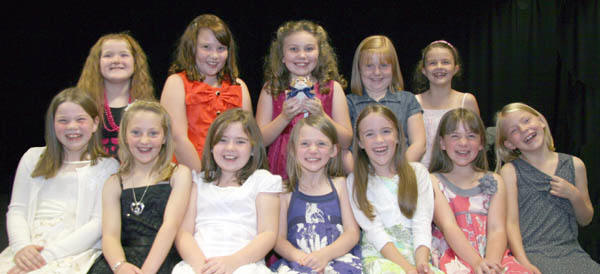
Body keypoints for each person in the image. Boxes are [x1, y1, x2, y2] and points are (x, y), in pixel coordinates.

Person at [0, 87, 119, 274]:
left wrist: (46, 257)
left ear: (95, 123)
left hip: (73, 252)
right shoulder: (32, 158)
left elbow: (98, 223)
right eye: (63, 120)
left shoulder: (107, 166)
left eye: (80, 119)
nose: (72, 127)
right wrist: (21, 247)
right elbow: (17, 210)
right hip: (28, 249)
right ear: (52, 124)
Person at [88, 101, 192, 274]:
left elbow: (170, 226)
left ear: (165, 137)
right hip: (124, 259)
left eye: (153, 133)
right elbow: (110, 236)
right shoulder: (114, 183)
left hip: (161, 258)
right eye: (136, 132)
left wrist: (147, 271)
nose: (144, 140)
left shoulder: (179, 174)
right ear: (125, 136)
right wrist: (120, 266)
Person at [172, 108, 281, 274]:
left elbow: (268, 234)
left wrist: (232, 263)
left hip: (244, 264)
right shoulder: (198, 182)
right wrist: (202, 266)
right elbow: (183, 233)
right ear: (211, 146)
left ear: (253, 149)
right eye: (222, 140)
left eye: (240, 141)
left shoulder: (262, 181)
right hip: (199, 264)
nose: (230, 148)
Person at [495, 102, 599, 274]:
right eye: (514, 130)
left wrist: (573, 195)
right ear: (509, 144)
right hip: (530, 252)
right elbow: (510, 223)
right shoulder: (510, 172)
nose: (524, 129)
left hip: (571, 251)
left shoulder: (575, 165)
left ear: (541, 121)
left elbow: (586, 219)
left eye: (526, 121)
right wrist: (523, 262)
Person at [429, 108, 530, 273]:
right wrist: (477, 264)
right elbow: (449, 227)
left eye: (471, 136)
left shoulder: (494, 180)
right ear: (442, 143)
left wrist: (491, 264)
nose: (463, 143)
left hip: (493, 256)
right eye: (455, 136)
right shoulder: (433, 181)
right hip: (453, 256)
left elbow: (497, 228)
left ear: (481, 143)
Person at [348, 104, 442, 274]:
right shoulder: (356, 180)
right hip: (380, 257)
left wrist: (421, 264)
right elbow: (374, 232)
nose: (379, 140)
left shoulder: (418, 173)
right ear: (360, 142)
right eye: (370, 134)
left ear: (398, 136)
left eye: (386, 131)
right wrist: (408, 269)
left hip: (416, 255)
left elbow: (422, 223)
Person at [256, 20, 352, 179]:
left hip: (322, 170)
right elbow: (259, 141)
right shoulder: (271, 89)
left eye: (309, 49)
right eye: (293, 49)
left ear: (319, 53)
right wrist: (284, 117)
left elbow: (346, 141)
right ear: (282, 56)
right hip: (282, 168)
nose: (302, 55)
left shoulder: (332, 88)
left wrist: (323, 116)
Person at [271, 114, 362, 273]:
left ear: (333, 150)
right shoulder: (284, 192)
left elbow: (352, 233)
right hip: (298, 263)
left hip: (339, 260)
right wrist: (302, 258)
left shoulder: (341, 185)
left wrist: (324, 255)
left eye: (321, 144)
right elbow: (278, 239)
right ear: (293, 149)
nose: (313, 150)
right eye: (305, 144)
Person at [161, 14, 252, 172]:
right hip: (189, 174)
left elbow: (249, 138)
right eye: (206, 47)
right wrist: (205, 179)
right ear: (192, 48)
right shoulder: (176, 83)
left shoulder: (239, 86)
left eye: (221, 48)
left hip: (232, 175)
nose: (214, 55)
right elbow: (177, 139)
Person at [346, 35, 425, 167]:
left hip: (401, 176)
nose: (377, 72)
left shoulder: (407, 100)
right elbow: (343, 149)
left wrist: (396, 172)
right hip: (362, 180)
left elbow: (419, 144)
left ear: (393, 68)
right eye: (369, 66)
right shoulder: (348, 103)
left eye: (383, 65)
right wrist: (362, 177)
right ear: (359, 69)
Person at [77, 32, 155, 157]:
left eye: (124, 55)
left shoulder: (149, 107)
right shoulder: (83, 105)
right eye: (108, 55)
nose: (116, 60)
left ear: (135, 62)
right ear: (97, 63)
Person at [413, 40, 480, 168]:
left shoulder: (467, 100)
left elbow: (475, 141)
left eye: (445, 62)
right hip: (421, 174)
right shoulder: (413, 102)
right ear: (423, 70)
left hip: (456, 172)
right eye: (432, 63)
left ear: (456, 68)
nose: (439, 66)